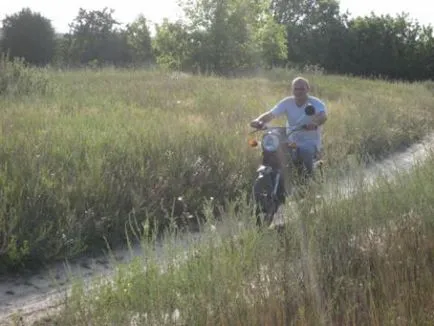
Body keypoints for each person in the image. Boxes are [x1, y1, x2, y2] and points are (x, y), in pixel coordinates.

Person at [250, 76, 328, 185]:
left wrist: (315, 123)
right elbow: (271, 114)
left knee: (306, 152)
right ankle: (276, 178)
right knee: (272, 150)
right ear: (292, 89)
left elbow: (323, 116)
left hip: (310, 141)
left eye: (302, 89)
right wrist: (259, 121)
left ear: (308, 89)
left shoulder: (315, 103)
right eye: (296, 89)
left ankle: (309, 181)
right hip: (291, 139)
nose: (298, 91)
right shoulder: (287, 102)